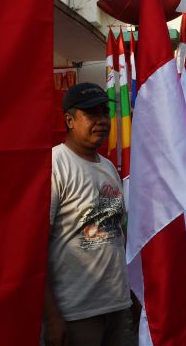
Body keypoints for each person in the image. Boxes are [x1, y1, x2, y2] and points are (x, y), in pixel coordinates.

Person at [44, 83, 131, 346]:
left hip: (115, 306)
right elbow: (36, 248)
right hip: (76, 314)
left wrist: (132, 297)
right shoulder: (55, 165)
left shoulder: (107, 168)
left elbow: (119, 233)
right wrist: (52, 316)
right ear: (69, 120)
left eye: (105, 112)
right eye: (92, 113)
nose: (102, 120)